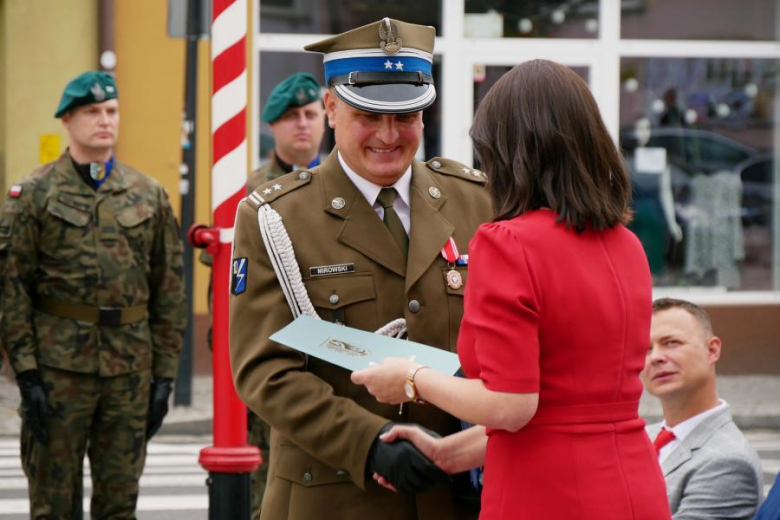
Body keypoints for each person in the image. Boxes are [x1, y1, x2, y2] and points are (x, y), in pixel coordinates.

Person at [351, 59, 672, 519]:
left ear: (508, 153)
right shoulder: (626, 244)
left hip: (546, 493)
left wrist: (410, 377)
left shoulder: (509, 243)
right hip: (634, 484)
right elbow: (563, 410)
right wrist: (448, 454)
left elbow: (512, 405)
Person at [230, 17, 492, 520]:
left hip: (453, 495)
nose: (389, 136)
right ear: (330, 107)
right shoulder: (278, 217)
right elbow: (265, 369)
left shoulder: (474, 201)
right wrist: (368, 441)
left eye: (407, 116)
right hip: (335, 493)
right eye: (368, 116)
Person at [0, 71, 186, 518]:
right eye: (91, 112)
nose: (104, 120)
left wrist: (164, 377)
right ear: (67, 119)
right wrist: (26, 375)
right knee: (53, 506)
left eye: (111, 111)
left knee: (120, 505)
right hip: (58, 371)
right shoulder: (34, 194)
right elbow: (11, 289)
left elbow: (170, 289)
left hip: (129, 372)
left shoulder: (149, 194)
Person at [643, 298, 763, 519]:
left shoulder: (728, 462)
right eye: (645, 349)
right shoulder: (642, 438)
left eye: (671, 343)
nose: (656, 357)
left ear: (712, 350)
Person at [246, 72, 326, 193]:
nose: (303, 124)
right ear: (272, 124)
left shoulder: (344, 181)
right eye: (291, 116)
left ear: (324, 120)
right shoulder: (253, 189)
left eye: (310, 115)